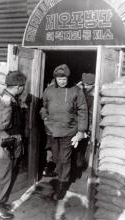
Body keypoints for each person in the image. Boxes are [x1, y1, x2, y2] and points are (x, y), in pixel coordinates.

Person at [40, 64, 88, 200]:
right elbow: (43, 107)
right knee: (56, 158)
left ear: (68, 77)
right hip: (52, 131)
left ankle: (62, 185)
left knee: (64, 158)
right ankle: (59, 175)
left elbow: (82, 110)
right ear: (55, 78)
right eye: (59, 78)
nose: (62, 81)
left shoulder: (76, 91)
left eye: (64, 78)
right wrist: (44, 116)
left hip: (69, 131)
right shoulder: (48, 90)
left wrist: (81, 131)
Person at [0, 70, 26, 220]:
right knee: (0, 175)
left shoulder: (13, 99)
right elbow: (1, 124)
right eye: (23, 86)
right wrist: (6, 105)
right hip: (3, 142)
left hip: (12, 142)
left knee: (7, 174)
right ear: (18, 86)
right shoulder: (3, 100)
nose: (23, 88)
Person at [76, 73, 95, 168]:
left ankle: (79, 166)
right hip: (74, 123)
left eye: (88, 85)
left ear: (94, 85)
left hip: (85, 124)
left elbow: (91, 113)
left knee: (81, 147)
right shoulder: (78, 91)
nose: (85, 87)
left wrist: (90, 126)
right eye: (84, 84)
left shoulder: (93, 97)